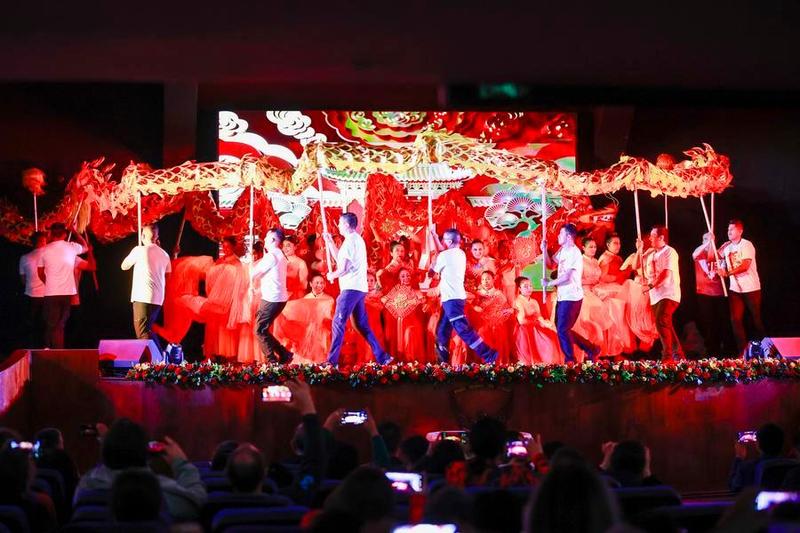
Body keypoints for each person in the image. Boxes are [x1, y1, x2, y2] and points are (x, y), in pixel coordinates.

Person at [75, 418, 206, 521]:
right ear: (145, 452)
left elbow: (109, 466)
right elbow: (196, 502)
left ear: (106, 452)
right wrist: (181, 463)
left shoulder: (86, 486)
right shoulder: (158, 490)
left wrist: (109, 442)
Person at [323, 212, 392, 367]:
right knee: (362, 325)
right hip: (358, 288)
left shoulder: (350, 242)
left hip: (350, 289)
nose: (338, 226)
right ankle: (382, 356)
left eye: (340, 223)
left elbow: (344, 268)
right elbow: (340, 258)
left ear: (346, 225)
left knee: (338, 323)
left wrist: (332, 275)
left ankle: (331, 361)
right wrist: (330, 243)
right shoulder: (356, 240)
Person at [429, 227, 498, 365]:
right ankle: (443, 362)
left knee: (463, 330)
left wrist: (433, 263)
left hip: (451, 299)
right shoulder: (460, 254)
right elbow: (443, 252)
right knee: (442, 331)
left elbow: (431, 273)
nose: (442, 242)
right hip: (455, 298)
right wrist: (435, 237)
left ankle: (489, 354)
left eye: (443, 240)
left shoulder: (444, 256)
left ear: (448, 241)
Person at [542, 223, 599, 363]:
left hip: (572, 297)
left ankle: (570, 360)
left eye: (560, 234)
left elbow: (567, 276)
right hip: (563, 295)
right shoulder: (563, 250)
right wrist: (544, 250)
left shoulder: (574, 252)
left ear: (568, 236)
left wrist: (549, 283)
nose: (558, 236)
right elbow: (550, 265)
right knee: (562, 329)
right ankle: (591, 348)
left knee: (562, 330)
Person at [715, 219, 765, 353]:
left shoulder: (746, 245)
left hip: (751, 288)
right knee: (735, 320)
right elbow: (712, 258)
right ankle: (742, 352)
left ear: (740, 231)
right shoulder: (727, 247)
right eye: (728, 229)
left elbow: (745, 265)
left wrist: (727, 273)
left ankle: (764, 348)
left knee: (756, 318)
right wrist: (714, 246)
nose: (728, 232)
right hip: (735, 289)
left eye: (732, 229)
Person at [121, 224, 172, 353]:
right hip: (158, 298)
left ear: (142, 236)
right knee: (147, 330)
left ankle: (158, 361)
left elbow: (124, 266)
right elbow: (168, 274)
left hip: (143, 296)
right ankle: (160, 358)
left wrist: (138, 250)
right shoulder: (165, 254)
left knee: (142, 333)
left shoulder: (139, 250)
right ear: (157, 236)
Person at [37, 222, 89, 349]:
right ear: (65, 234)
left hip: (51, 292)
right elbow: (85, 247)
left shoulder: (44, 250)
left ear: (51, 234)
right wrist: (75, 232)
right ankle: (56, 350)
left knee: (51, 324)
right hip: (67, 292)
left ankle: (50, 349)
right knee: (60, 324)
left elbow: (40, 272)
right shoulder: (71, 247)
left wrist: (49, 283)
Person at [638, 225, 683, 360]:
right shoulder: (651, 254)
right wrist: (639, 250)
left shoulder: (670, 252)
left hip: (668, 293)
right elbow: (637, 266)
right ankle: (678, 354)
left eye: (653, 236)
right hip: (656, 296)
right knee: (665, 324)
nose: (650, 238)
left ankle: (667, 356)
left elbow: (666, 274)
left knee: (661, 321)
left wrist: (651, 285)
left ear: (661, 237)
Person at [251, 228, 293, 364]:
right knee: (262, 328)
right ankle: (284, 354)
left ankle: (272, 361)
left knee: (259, 330)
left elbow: (254, 273)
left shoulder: (272, 256)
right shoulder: (279, 254)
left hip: (272, 298)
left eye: (267, 237)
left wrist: (249, 263)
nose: (264, 239)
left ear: (273, 240)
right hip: (279, 298)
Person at [692, 232, 730, 356]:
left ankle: (723, 347)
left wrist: (720, 271)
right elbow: (694, 254)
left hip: (718, 294)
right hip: (704, 293)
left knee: (721, 321)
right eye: (704, 239)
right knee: (707, 322)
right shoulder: (700, 254)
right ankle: (710, 349)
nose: (707, 241)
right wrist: (708, 242)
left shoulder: (719, 255)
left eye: (709, 239)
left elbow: (723, 271)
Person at [382, 268, 427, 363]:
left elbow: (423, 305)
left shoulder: (417, 292)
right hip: (399, 324)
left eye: (408, 275)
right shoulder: (394, 292)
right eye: (403, 276)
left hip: (413, 323)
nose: (406, 278)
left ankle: (414, 364)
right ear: (398, 278)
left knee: (410, 336)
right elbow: (385, 303)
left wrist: (421, 302)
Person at [513, 277, 562, 364]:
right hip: (523, 330)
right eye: (525, 286)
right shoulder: (518, 301)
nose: (529, 288)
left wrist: (543, 322)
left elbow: (538, 316)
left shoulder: (534, 301)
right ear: (519, 289)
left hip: (535, 327)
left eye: (530, 286)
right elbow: (522, 321)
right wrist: (537, 322)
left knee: (549, 343)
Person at [729, 422, 785, 492]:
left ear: (758, 445)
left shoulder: (747, 468)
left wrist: (738, 457)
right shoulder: (794, 465)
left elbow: (734, 486)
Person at [473, 270, 514, 365]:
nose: (485, 281)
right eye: (483, 279)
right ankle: (482, 366)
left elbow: (506, 309)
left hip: (496, 324)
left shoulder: (499, 294)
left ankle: (498, 365)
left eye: (488, 279)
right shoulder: (477, 294)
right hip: (481, 324)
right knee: (482, 334)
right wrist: (475, 308)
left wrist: (508, 311)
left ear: (493, 280)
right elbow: (472, 308)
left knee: (499, 336)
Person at [19, 231, 48, 347]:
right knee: (45, 325)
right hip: (45, 295)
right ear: (42, 241)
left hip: (30, 294)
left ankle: (31, 346)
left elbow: (22, 279)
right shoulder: (48, 256)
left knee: (31, 324)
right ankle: (44, 347)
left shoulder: (24, 258)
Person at [283, 236, 309, 300]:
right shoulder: (280, 261)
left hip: (295, 297)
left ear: (295, 247)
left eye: (288, 246)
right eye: (283, 246)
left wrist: (290, 287)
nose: (285, 248)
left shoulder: (301, 263)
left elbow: (304, 285)